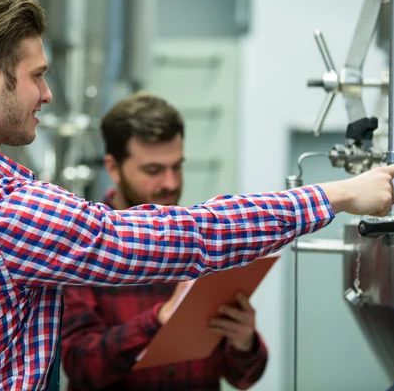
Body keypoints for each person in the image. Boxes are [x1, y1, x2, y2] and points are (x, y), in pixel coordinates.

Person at [0, 0, 394, 389]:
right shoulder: (1, 212)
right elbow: (192, 236)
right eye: (37, 75)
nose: (48, 94)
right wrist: (338, 195)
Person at [60, 92, 269, 390]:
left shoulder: (204, 239)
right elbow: (81, 367)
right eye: (154, 170)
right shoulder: (81, 245)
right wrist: (159, 320)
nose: (171, 183)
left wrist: (243, 340)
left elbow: (245, 377)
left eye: (177, 166)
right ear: (113, 168)